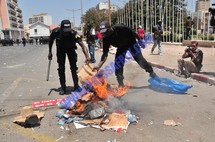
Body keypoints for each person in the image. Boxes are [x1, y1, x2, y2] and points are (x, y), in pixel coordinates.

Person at [92, 21, 157, 87]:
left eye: (106, 32)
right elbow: (105, 53)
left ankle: (152, 73)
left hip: (131, 43)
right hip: (121, 47)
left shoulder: (119, 28)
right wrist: (99, 65)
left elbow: (132, 32)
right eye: (103, 33)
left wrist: (139, 40)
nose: (105, 34)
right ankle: (121, 84)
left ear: (110, 28)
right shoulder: (106, 38)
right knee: (118, 65)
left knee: (140, 60)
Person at [48, 20, 90, 95]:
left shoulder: (74, 33)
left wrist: (87, 56)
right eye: (65, 31)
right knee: (61, 68)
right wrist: (50, 52)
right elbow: (50, 41)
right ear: (61, 28)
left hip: (71, 50)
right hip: (60, 50)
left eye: (68, 31)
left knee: (74, 68)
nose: (67, 33)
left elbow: (82, 45)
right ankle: (63, 87)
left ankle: (76, 86)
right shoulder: (56, 32)